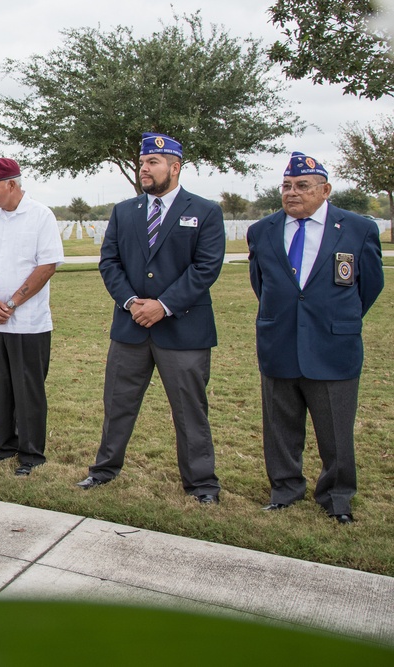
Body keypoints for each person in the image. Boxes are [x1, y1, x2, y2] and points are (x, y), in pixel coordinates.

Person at [76, 133, 225, 503]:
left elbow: (206, 268)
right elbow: (109, 262)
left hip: (183, 328)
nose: (144, 168)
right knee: (117, 404)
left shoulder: (205, 211)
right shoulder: (124, 211)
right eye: (142, 162)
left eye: (153, 162)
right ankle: (104, 470)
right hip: (131, 327)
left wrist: (163, 305)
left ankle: (201, 484)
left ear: (175, 168)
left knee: (191, 411)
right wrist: (130, 302)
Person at [247, 152, 385, 524]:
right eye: (287, 186)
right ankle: (285, 489)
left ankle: (337, 497)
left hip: (333, 346)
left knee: (336, 432)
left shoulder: (357, 229)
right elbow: (262, 284)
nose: (293, 193)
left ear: (325, 190)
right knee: (280, 428)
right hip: (279, 342)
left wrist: (336, 318)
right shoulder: (262, 230)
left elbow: (369, 286)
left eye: (303, 186)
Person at [0, 158, 64, 476]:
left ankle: (31, 455)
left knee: (28, 388)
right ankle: (4, 449)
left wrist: (13, 303)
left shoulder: (40, 216)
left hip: (28, 322)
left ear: (11, 185)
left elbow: (47, 265)